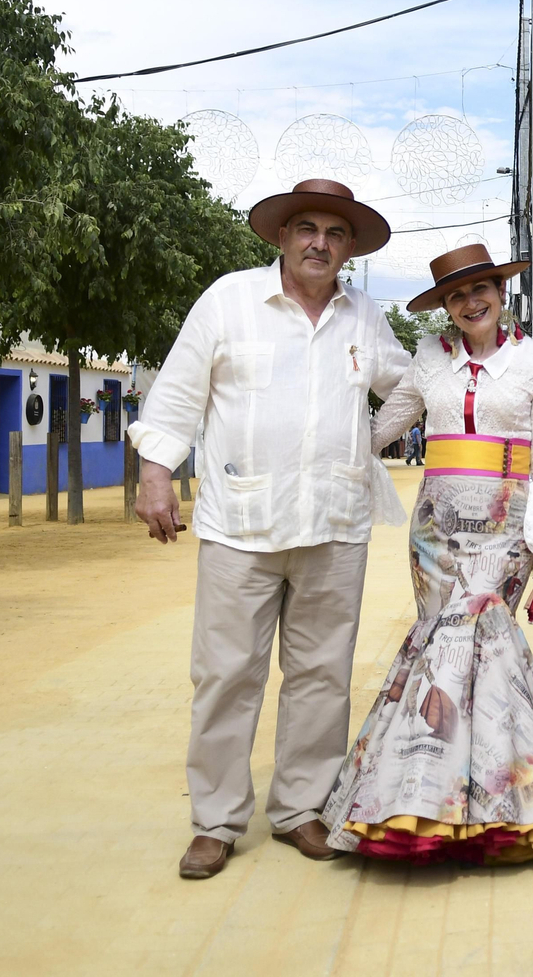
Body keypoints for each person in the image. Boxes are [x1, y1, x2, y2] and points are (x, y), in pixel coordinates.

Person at [130, 179, 411, 879]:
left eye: (335, 233)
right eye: (307, 228)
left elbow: (409, 384)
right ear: (283, 237)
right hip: (240, 525)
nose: (320, 242)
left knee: (322, 675)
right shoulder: (230, 300)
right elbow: (177, 391)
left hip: (334, 524)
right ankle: (216, 820)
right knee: (226, 675)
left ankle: (302, 808)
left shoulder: (363, 316)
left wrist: (366, 441)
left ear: (349, 249)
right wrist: (156, 473)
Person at [320, 243, 533, 864]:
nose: (471, 303)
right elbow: (382, 428)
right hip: (435, 531)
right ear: (445, 306)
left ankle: (487, 809)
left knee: (482, 649)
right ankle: (432, 805)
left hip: (508, 527)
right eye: (456, 296)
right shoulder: (427, 362)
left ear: (502, 294)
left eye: (481, 291)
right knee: (440, 649)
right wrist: (318, 432)